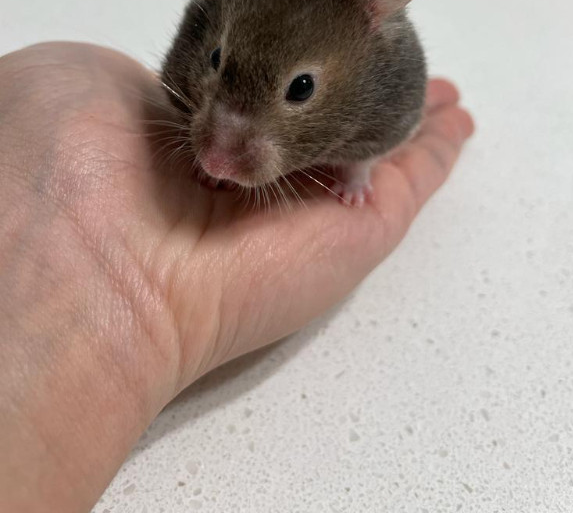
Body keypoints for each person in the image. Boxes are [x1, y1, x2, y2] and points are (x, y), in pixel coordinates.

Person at [0, 42, 474, 512]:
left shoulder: (382, 87)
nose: (217, 158)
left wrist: (356, 173)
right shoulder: (214, 27)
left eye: (301, 88)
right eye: (218, 62)